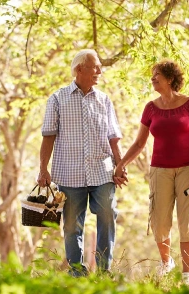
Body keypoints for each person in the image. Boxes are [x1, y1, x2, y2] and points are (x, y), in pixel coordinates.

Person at [114, 60, 189, 285]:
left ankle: (187, 276)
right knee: (159, 221)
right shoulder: (150, 108)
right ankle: (167, 263)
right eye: (152, 75)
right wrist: (121, 164)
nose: (152, 78)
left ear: (170, 78)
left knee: (187, 222)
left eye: (157, 75)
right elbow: (139, 143)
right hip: (160, 171)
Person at [37, 49, 125, 277]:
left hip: (102, 170)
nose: (99, 71)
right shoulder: (57, 98)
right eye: (94, 66)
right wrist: (42, 168)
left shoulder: (104, 100)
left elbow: (114, 137)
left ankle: (104, 270)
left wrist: (120, 164)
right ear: (79, 69)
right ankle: (77, 271)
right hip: (69, 173)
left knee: (108, 212)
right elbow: (48, 136)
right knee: (71, 225)